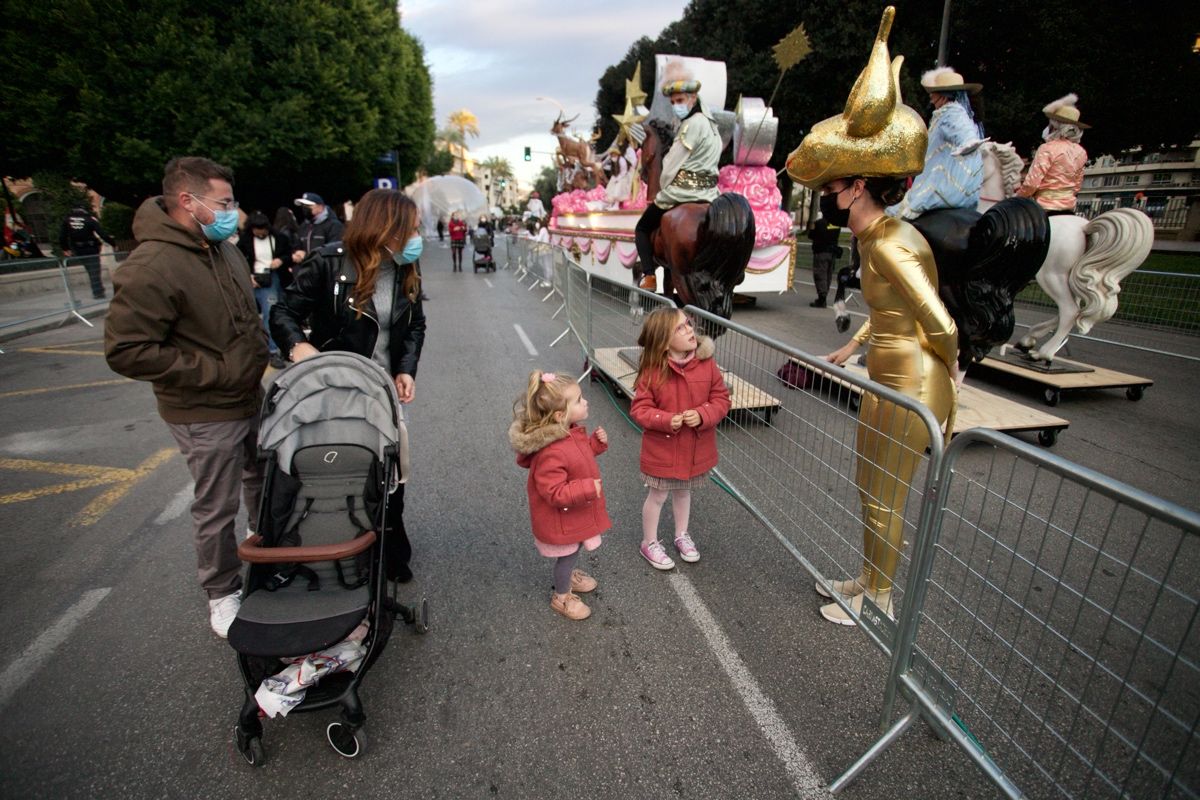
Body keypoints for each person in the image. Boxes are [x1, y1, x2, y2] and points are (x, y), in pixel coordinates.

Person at [787, 6, 957, 625]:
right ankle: (867, 580)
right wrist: (856, 344)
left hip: (912, 380)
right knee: (870, 491)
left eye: (831, 189)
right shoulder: (873, 238)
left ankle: (879, 600)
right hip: (889, 372)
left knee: (886, 497)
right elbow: (892, 311)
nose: (827, 197)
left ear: (857, 185)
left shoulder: (887, 242)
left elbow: (938, 324)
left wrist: (947, 381)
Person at [104, 156, 269, 638]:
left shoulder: (223, 250)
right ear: (187, 201)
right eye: (223, 202)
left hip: (248, 395)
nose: (231, 212)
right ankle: (222, 591)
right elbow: (127, 350)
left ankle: (267, 549)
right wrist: (214, 371)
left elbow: (243, 318)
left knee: (263, 477)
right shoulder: (152, 265)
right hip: (202, 409)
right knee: (216, 504)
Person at [270, 188, 426, 582]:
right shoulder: (329, 263)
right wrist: (297, 345)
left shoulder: (406, 266)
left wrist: (406, 368)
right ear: (386, 228)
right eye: (412, 229)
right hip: (336, 390)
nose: (417, 237)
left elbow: (415, 325)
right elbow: (284, 311)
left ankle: (390, 549)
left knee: (391, 471)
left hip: (384, 390)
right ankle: (342, 546)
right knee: (348, 470)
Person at [630, 307, 731, 570]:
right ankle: (649, 542)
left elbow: (721, 398)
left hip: (694, 448)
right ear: (664, 342)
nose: (689, 330)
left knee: (683, 491)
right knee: (658, 495)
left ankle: (681, 534)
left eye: (688, 323)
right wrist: (665, 419)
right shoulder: (653, 370)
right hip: (663, 449)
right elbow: (640, 409)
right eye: (680, 328)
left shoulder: (706, 363)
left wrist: (703, 414)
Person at [509, 371, 610, 620]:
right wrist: (587, 489)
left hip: (571, 517)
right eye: (578, 400)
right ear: (559, 415)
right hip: (560, 521)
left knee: (574, 551)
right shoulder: (551, 452)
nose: (585, 401)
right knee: (567, 556)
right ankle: (561, 595)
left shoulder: (569, 432)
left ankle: (568, 578)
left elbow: (577, 459)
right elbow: (554, 492)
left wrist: (594, 445)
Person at [634, 73, 720, 276]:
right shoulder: (712, 126)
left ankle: (648, 275)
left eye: (680, 100)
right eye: (673, 102)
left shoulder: (691, 125)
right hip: (711, 194)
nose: (676, 106)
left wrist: (664, 185)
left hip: (682, 192)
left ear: (693, 99)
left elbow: (672, 162)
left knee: (642, 229)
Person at [886, 67, 984, 220]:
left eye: (934, 92)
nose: (931, 97)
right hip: (961, 188)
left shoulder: (951, 112)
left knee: (891, 217)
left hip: (940, 184)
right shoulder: (955, 113)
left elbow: (964, 133)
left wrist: (968, 143)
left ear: (944, 95)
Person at [1016, 94, 1089, 215]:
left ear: (1054, 127)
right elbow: (1077, 185)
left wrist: (1017, 197)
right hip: (1069, 208)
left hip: (1044, 206)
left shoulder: (1047, 148)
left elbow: (1031, 184)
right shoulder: (1081, 151)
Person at [237, 212, 292, 369]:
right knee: (269, 313)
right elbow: (239, 258)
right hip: (257, 278)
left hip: (275, 276)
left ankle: (279, 348)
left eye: (263, 230)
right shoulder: (245, 241)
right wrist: (248, 275)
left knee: (275, 313)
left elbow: (289, 254)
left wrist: (280, 260)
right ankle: (273, 350)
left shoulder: (279, 238)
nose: (260, 234)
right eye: (257, 231)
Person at [60, 203, 115, 299]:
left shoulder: (67, 220)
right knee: (94, 270)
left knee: (90, 270)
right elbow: (102, 234)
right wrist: (113, 244)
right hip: (91, 247)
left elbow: (62, 236)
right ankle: (98, 292)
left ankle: (99, 289)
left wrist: (65, 248)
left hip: (78, 248)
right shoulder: (89, 219)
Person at [292, 191, 344, 266]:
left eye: (308, 205)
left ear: (320, 207)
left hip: (326, 271)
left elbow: (334, 251)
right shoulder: (303, 226)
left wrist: (308, 256)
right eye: (303, 205)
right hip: (306, 271)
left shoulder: (334, 225)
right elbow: (296, 246)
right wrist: (295, 255)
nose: (304, 208)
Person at [806, 213, 842, 307]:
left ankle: (822, 298)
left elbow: (811, 235)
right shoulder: (836, 224)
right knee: (828, 275)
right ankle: (824, 294)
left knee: (820, 274)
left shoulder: (819, 223)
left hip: (821, 252)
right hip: (832, 252)